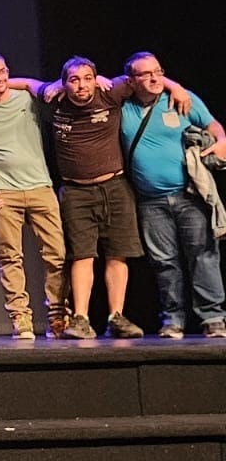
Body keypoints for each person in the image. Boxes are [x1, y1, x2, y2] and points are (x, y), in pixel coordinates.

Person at [44, 57, 178, 340]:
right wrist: (53, 84)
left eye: (87, 78)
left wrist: (176, 88)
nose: (81, 85)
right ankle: (80, 318)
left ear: (96, 78)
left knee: (118, 253)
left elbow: (147, 77)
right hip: (76, 191)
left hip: (115, 187)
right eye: (74, 79)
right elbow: (24, 84)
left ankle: (116, 316)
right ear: (64, 83)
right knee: (82, 255)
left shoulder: (112, 91)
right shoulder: (54, 99)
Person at [120, 51, 226, 339]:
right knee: (164, 262)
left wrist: (222, 142)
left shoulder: (180, 98)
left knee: (203, 256)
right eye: (146, 74)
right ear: (131, 80)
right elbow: (105, 82)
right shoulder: (123, 106)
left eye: (159, 71)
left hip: (189, 195)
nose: (155, 78)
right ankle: (173, 319)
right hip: (151, 201)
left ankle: (213, 317)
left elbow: (213, 126)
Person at [0, 52, 67, 340]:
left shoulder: (25, 99)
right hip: (3, 191)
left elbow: (46, 87)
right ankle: (20, 318)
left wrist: (22, 83)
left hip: (40, 188)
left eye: (2, 71)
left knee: (56, 255)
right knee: (10, 258)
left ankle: (58, 316)